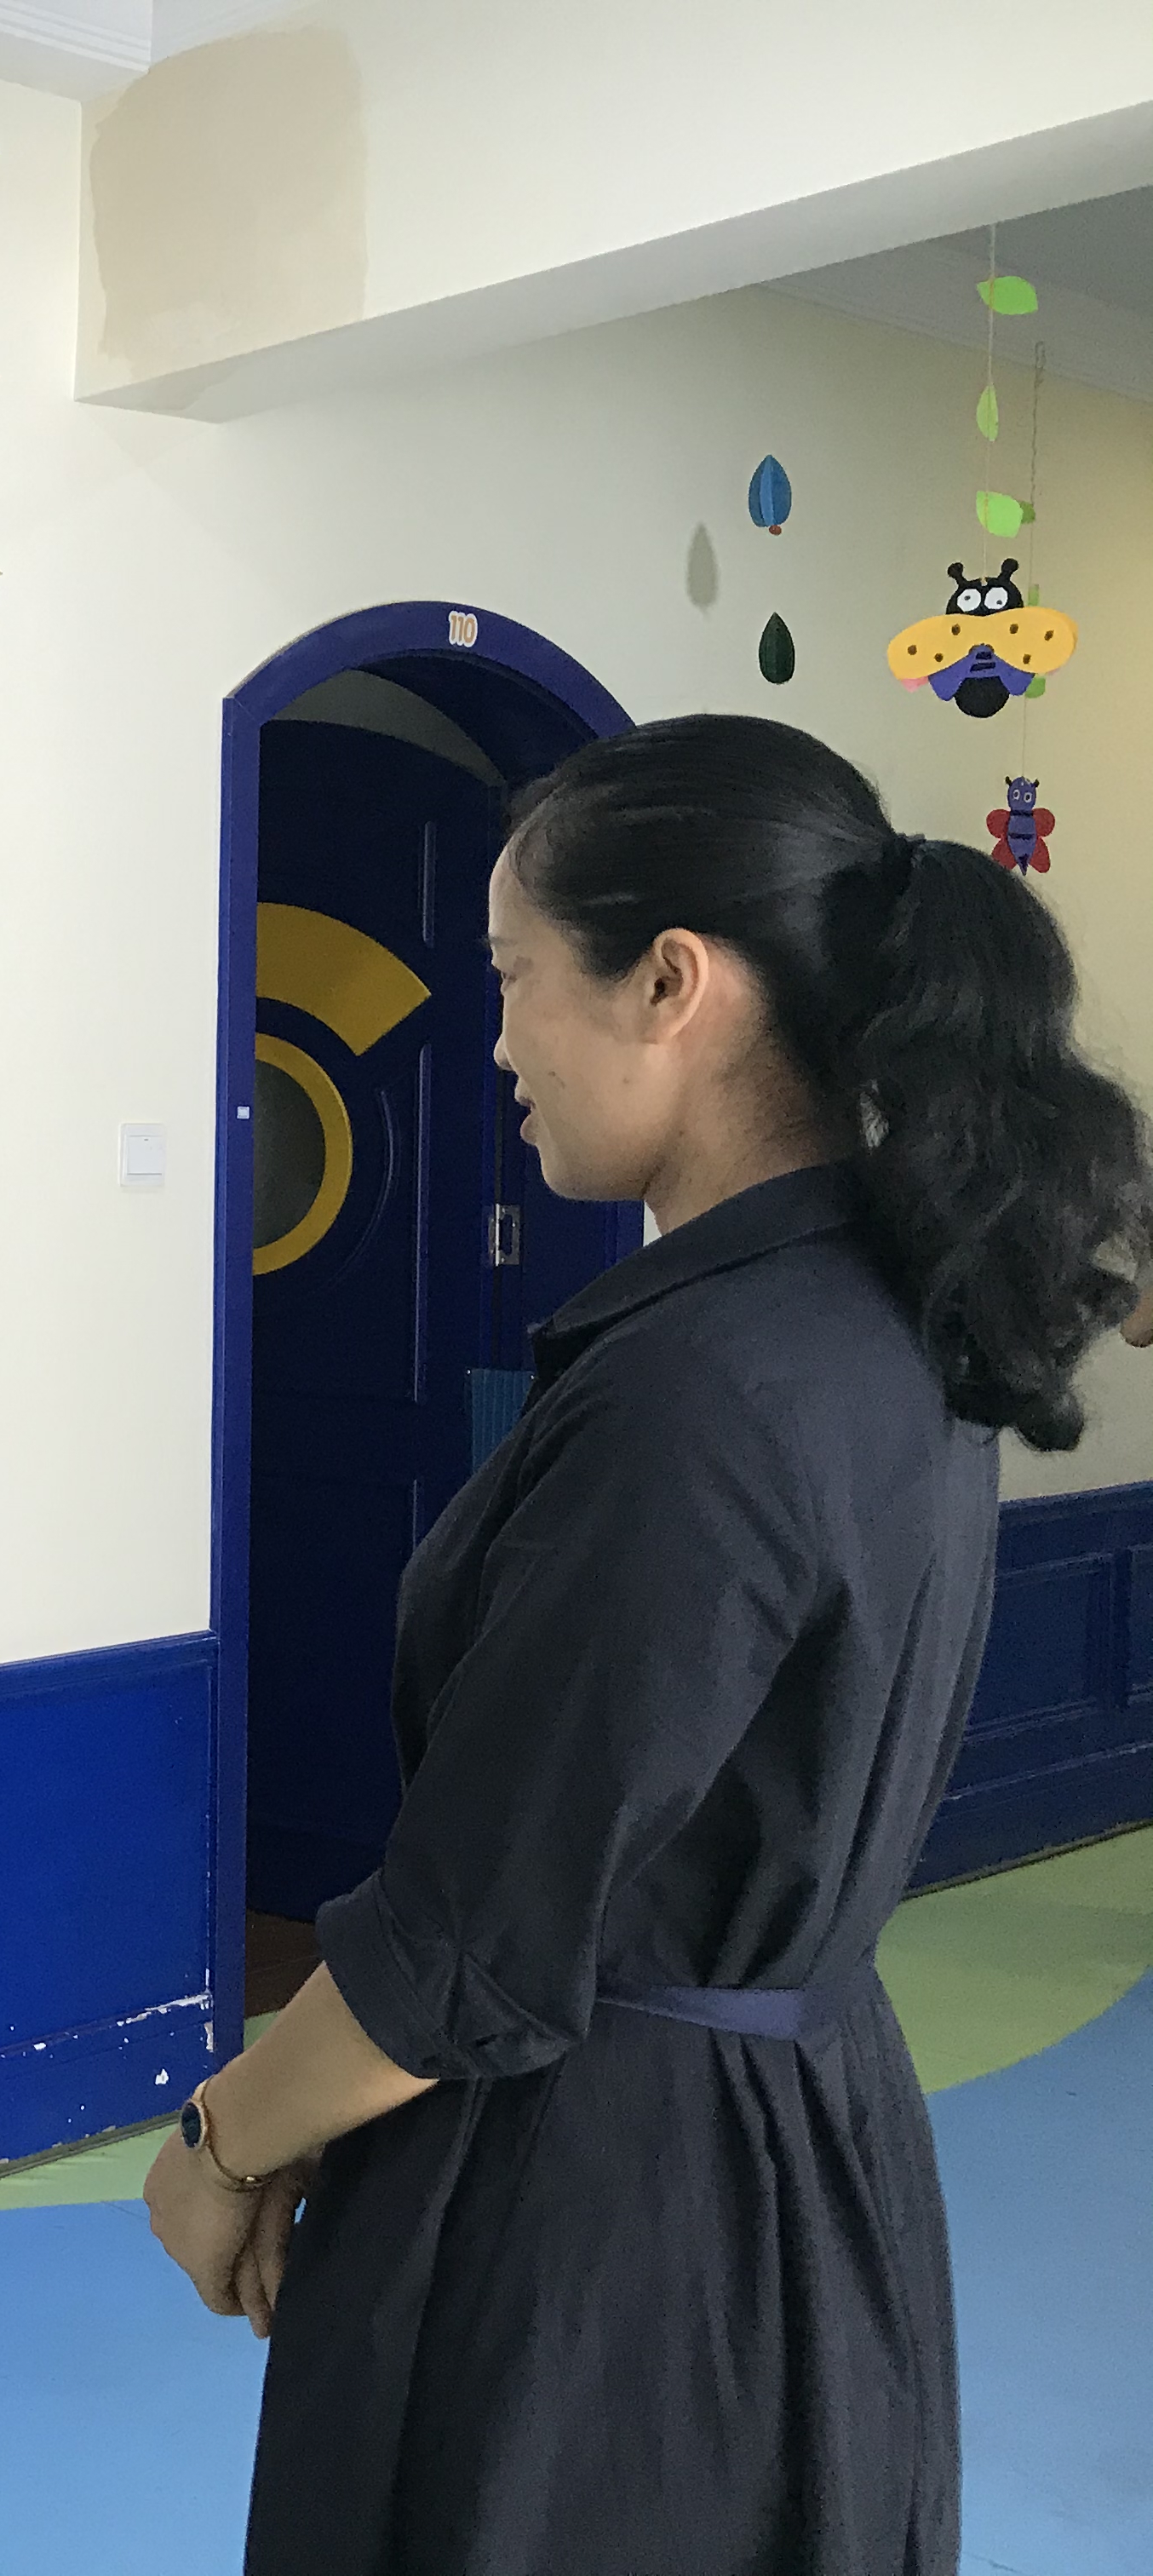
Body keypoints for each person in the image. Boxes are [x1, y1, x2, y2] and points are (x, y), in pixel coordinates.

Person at [143, 716, 1153, 2576]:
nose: (502, 1041)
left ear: (672, 984)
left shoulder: (702, 1393)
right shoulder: (877, 1328)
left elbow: (469, 1944)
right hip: (791, 2137)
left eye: (515, 976)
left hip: (597, 2213)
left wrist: (216, 2148)